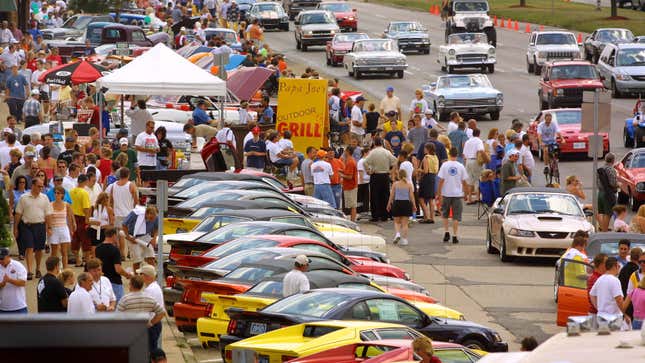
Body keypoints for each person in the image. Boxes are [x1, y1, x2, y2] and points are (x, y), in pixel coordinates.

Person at [14, 177, 52, 280]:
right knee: (29, 247)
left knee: (39, 249)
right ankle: (30, 270)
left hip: (40, 225)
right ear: (33, 186)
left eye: (42, 186)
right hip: (27, 226)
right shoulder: (24, 198)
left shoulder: (44, 198)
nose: (41, 188)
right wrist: (15, 228)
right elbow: (18, 214)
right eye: (39, 186)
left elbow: (48, 214)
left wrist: (49, 227)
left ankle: (38, 269)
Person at [117, 275, 165, 353]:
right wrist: (151, 323)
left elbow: (117, 316)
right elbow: (162, 312)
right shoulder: (149, 298)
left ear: (131, 285)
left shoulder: (125, 299)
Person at [436, 147, 468, 244]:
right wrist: (466, 193)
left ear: (449, 154)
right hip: (457, 194)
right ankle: (455, 235)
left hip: (446, 192)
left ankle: (446, 231)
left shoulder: (445, 165)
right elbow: (464, 181)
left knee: (445, 213)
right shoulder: (461, 166)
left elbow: (441, 180)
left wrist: (439, 193)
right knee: (456, 215)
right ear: (457, 154)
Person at [364, 137, 398, 222]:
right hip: (385, 175)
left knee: (374, 195)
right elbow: (395, 161)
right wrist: (391, 171)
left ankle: (375, 216)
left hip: (375, 175)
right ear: (382, 143)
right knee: (385, 195)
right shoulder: (387, 152)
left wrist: (368, 171)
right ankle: (385, 215)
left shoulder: (372, 152)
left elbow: (365, 162)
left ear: (374, 143)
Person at [95, 227, 132, 303]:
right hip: (114, 281)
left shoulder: (97, 248)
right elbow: (118, 269)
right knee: (119, 306)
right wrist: (127, 275)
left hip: (102, 281)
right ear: (114, 235)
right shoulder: (115, 250)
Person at [590, 257, 628, 323]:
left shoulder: (600, 279)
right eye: (618, 266)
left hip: (601, 316)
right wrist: (625, 314)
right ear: (614, 266)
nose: (619, 268)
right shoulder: (615, 280)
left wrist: (599, 308)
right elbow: (619, 299)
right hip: (613, 317)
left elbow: (592, 295)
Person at [123, 205, 159, 271]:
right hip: (133, 236)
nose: (152, 220)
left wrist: (154, 238)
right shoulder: (135, 214)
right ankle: (137, 278)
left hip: (145, 235)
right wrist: (128, 237)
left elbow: (157, 227)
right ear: (147, 214)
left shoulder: (156, 217)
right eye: (151, 218)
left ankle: (151, 275)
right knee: (137, 260)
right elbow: (124, 224)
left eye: (153, 218)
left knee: (151, 256)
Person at [387, 168, 416, 246]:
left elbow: (392, 195)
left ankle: (397, 234)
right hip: (406, 203)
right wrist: (414, 205)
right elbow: (411, 197)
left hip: (397, 203)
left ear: (398, 176)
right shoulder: (409, 184)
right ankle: (404, 240)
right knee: (405, 224)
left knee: (397, 222)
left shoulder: (395, 184)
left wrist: (389, 204)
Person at [50, 185, 75, 268]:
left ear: (62, 195)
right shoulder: (50, 205)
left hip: (63, 228)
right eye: (55, 193)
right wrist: (48, 228)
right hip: (54, 228)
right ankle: (54, 269)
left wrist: (71, 230)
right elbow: (48, 218)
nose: (56, 195)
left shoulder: (66, 205)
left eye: (58, 193)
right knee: (54, 252)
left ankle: (65, 269)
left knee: (64, 252)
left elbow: (70, 217)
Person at [70, 174, 92, 266]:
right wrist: (88, 219)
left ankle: (78, 260)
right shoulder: (84, 192)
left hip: (73, 217)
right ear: (85, 181)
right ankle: (87, 260)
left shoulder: (71, 191)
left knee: (75, 239)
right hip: (82, 217)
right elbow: (86, 208)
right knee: (85, 240)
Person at [0, 247, 28, 313]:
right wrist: (2, 284)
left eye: (2, 258)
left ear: (8, 256)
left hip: (19, 306)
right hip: (3, 307)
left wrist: (9, 280)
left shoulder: (18, 266)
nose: (0, 261)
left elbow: (23, 283)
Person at [462, 128, 484, 204]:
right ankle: (478, 197)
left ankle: (470, 198)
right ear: (479, 134)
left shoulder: (468, 141)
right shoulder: (479, 141)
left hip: (468, 160)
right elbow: (480, 150)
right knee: (477, 179)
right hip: (476, 160)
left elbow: (464, 154)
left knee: (470, 180)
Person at [418, 143, 438, 224]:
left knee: (421, 198)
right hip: (433, 177)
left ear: (428, 149)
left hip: (426, 178)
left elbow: (425, 171)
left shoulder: (426, 158)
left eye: (425, 148)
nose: (424, 149)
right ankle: (432, 217)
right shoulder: (435, 157)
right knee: (431, 198)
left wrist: (419, 170)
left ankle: (426, 216)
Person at [597, 153, 618, 232]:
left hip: (600, 193)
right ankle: (604, 231)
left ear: (605, 159)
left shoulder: (600, 169)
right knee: (608, 213)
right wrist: (618, 184)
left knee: (602, 213)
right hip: (608, 194)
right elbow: (612, 183)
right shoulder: (611, 169)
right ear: (613, 160)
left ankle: (603, 229)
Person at [340, 146, 358, 221]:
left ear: (347, 151)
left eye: (345, 151)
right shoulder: (349, 160)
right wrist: (341, 170)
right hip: (349, 186)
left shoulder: (350, 162)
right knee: (351, 205)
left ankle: (352, 221)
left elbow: (350, 177)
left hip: (351, 186)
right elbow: (348, 172)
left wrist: (341, 175)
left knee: (352, 206)